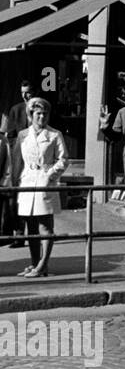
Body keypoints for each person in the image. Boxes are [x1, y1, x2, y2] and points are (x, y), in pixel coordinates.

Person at [15, 98, 68, 278]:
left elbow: (63, 160)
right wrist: (15, 182)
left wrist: (50, 175)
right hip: (27, 181)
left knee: (45, 226)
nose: (42, 117)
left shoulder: (55, 135)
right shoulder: (22, 135)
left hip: (45, 181)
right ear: (31, 115)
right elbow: (17, 161)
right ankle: (34, 263)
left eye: (45, 113)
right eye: (38, 113)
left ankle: (43, 265)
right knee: (30, 226)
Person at [1, 80, 35, 249]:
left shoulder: (42, 108)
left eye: (28, 92)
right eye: (23, 92)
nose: (25, 95)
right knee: (18, 199)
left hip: (36, 162)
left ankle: (38, 234)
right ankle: (19, 235)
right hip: (20, 160)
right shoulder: (16, 109)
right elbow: (11, 136)